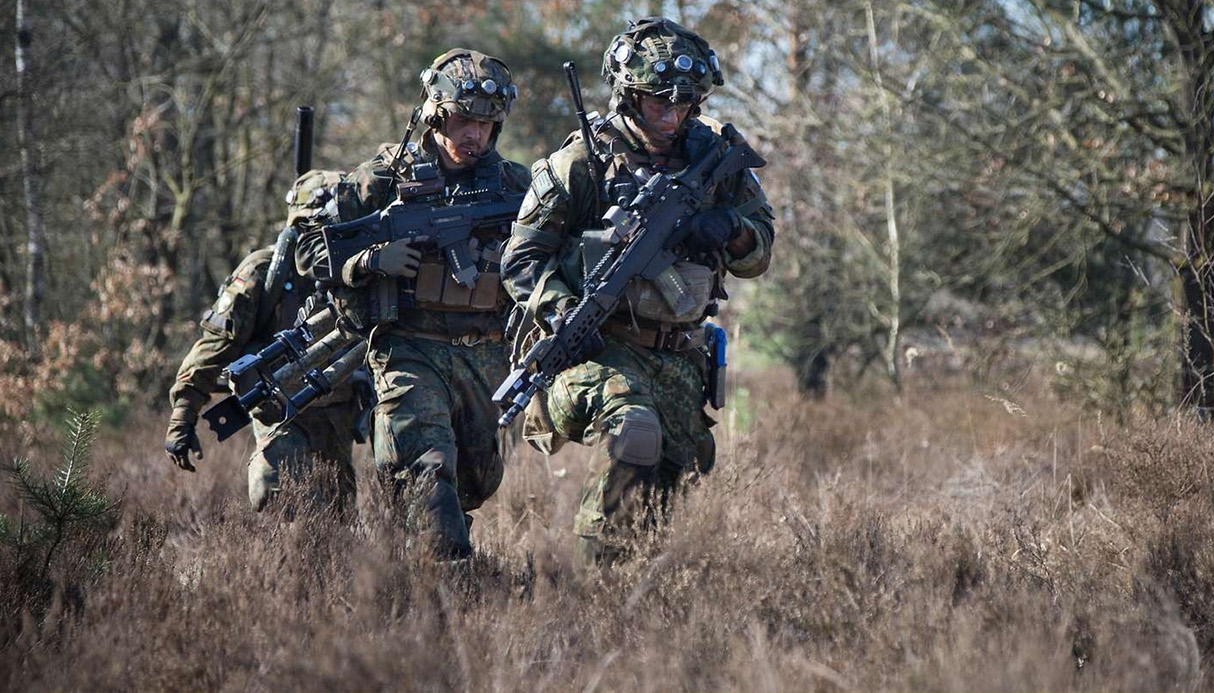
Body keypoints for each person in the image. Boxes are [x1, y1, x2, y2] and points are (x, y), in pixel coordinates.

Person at [501, 17, 776, 571]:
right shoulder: (581, 163)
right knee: (635, 435)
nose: (671, 116)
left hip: (678, 355)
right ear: (627, 95)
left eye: (683, 104)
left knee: (670, 483)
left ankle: (630, 608)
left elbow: (759, 252)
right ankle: (585, 592)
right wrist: (559, 313)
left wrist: (730, 228)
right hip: (594, 346)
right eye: (657, 103)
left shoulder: (714, 158)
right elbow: (522, 261)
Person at [295, 49, 530, 559]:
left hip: (487, 356)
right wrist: (370, 261)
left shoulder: (516, 184)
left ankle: (417, 559)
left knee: (474, 481)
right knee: (426, 469)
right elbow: (309, 248)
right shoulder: (385, 177)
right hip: (409, 349)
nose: (475, 134)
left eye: (486, 123)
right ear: (436, 115)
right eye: (464, 120)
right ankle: (449, 591)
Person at [164, 169, 361, 512]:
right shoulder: (263, 274)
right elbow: (214, 348)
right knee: (280, 502)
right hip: (279, 413)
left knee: (337, 520)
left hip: (338, 416)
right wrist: (183, 415)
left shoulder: (359, 272)